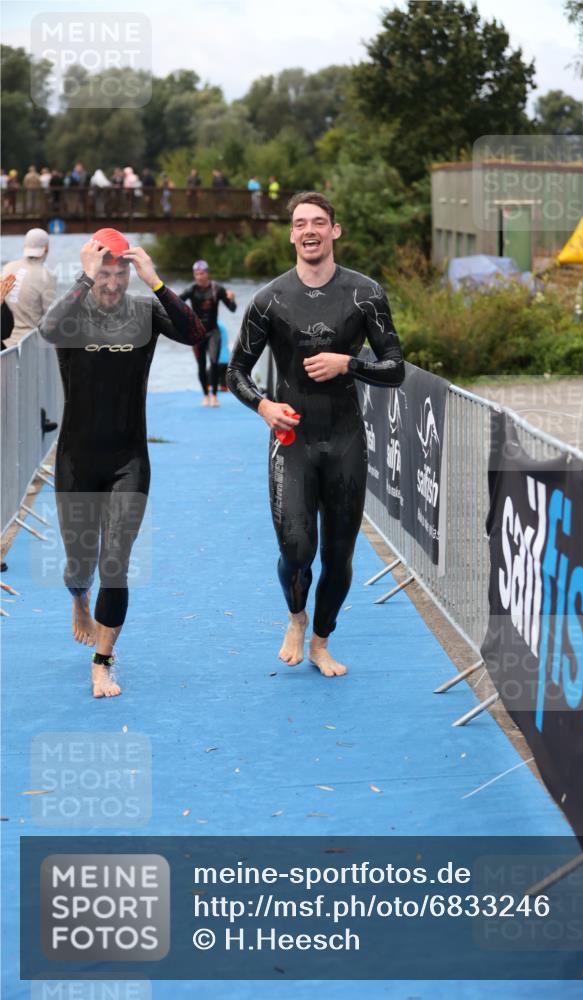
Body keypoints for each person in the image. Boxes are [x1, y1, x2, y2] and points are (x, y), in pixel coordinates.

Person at [227, 192, 404, 677]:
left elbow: (395, 368)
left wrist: (349, 363)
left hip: (345, 440)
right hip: (293, 442)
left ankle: (322, 642)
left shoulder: (365, 294)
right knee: (296, 551)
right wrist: (264, 406)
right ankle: (295, 617)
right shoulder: (269, 300)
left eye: (319, 222)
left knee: (338, 558)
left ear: (334, 230)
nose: (310, 230)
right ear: (292, 235)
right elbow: (235, 371)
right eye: (301, 223)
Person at [38, 228, 205, 697]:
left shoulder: (144, 311)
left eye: (120, 274)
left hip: (129, 459)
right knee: (80, 564)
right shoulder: (74, 312)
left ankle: (102, 662)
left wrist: (156, 282)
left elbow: (196, 333)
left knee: (115, 563)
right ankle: (78, 598)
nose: (112, 284)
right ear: (92, 270)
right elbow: (47, 330)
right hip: (76, 460)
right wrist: (82, 279)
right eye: (103, 274)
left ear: (130, 273)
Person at [180, 260, 237, 406]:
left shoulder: (216, 289)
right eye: (197, 274)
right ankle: (205, 395)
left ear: (207, 274)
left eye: (202, 273)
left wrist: (232, 299)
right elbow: (175, 304)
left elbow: (232, 309)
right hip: (197, 333)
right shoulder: (191, 289)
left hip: (213, 332)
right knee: (201, 365)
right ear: (194, 275)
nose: (199, 277)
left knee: (214, 362)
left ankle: (215, 396)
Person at [1, 228, 57, 347]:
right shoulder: (46, 276)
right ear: (46, 248)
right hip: (28, 344)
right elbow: (49, 318)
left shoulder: (7, 268)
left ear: (25, 246)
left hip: (4, 344)